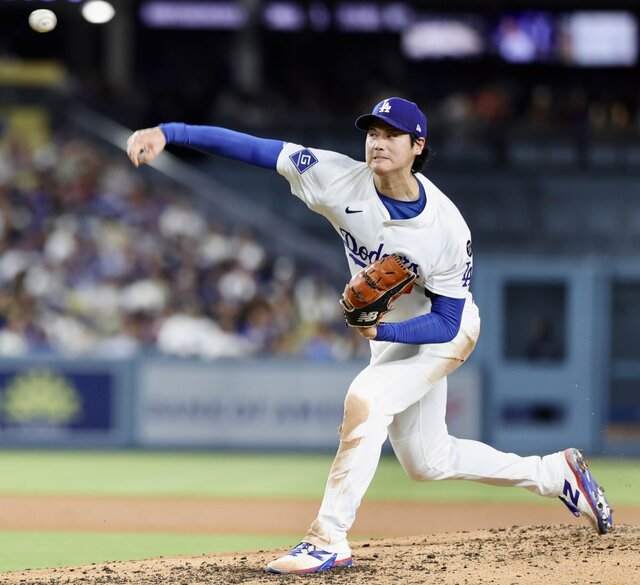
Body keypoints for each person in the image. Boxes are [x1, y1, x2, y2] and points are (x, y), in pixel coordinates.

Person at [126, 96, 613, 574]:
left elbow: (446, 321)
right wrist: (170, 133)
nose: (378, 143)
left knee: (366, 399)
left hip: (443, 331)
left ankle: (327, 539)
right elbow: (255, 149)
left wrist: (382, 327)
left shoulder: (446, 228)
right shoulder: (336, 177)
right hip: (392, 334)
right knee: (428, 461)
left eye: (391, 135)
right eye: (373, 133)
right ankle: (556, 474)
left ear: (417, 146)